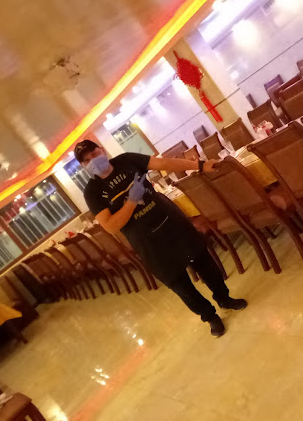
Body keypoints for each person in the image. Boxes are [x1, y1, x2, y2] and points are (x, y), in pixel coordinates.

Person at [74, 140, 247, 337]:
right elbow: (111, 226)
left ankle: (224, 298)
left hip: (170, 221)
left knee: (204, 261)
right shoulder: (92, 192)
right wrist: (131, 201)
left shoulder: (127, 160)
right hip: (147, 241)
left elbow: (164, 163)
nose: (92, 161)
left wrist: (200, 165)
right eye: (86, 160)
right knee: (179, 283)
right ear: (83, 166)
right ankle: (210, 317)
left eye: (94, 154)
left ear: (102, 150)